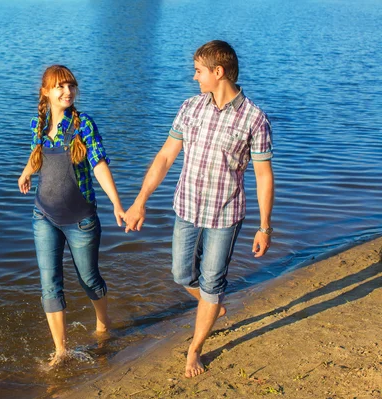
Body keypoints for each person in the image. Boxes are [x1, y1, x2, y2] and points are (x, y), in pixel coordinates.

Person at [124, 40, 275, 378]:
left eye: (198, 71)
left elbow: (264, 175)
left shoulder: (255, 119)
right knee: (180, 273)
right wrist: (140, 201)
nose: (194, 78)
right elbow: (165, 157)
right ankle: (212, 304)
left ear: (218, 72)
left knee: (211, 282)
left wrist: (265, 227)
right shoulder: (190, 107)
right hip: (187, 209)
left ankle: (195, 348)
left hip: (225, 216)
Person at [18, 65, 125, 366]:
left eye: (71, 86)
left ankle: (103, 323)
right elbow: (35, 155)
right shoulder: (37, 124)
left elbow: (99, 164)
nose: (67, 91)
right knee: (49, 282)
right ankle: (60, 350)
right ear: (46, 92)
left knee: (89, 279)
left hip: (81, 219)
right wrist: (26, 172)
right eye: (60, 87)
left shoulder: (83, 125)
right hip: (44, 216)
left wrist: (116, 203)